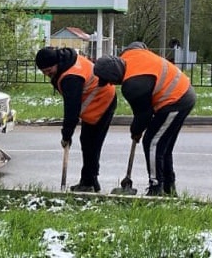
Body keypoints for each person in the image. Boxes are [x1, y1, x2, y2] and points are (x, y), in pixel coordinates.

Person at [93, 42, 197, 196]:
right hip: (183, 91)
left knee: (152, 142)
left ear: (115, 76)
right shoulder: (129, 53)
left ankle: (156, 188)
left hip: (175, 100)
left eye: (109, 81)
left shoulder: (132, 85)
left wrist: (135, 131)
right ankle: (169, 188)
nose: (110, 84)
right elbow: (139, 44)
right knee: (163, 146)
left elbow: (144, 115)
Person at [35, 46, 117, 193]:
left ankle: (88, 183)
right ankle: (90, 181)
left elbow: (71, 111)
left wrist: (66, 135)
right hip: (98, 98)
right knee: (88, 142)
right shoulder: (66, 60)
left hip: (102, 101)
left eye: (49, 71)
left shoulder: (70, 77)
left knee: (91, 143)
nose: (47, 74)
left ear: (57, 63)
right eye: (44, 72)